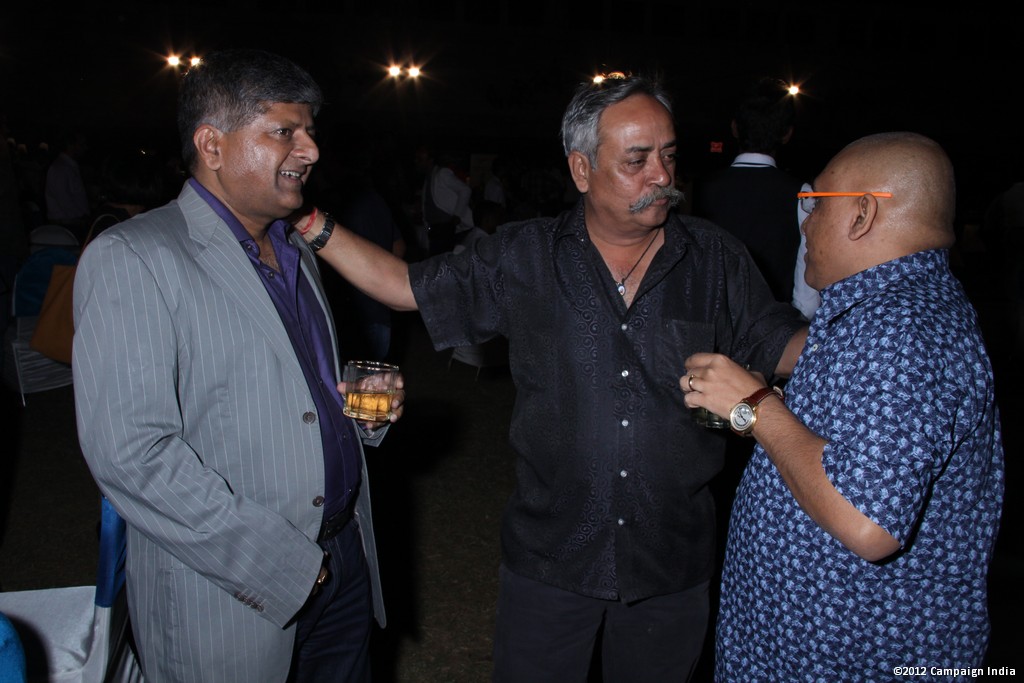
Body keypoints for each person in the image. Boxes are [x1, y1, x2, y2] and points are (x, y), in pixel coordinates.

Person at [293, 73, 806, 682]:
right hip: (552, 558)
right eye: (637, 160)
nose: (662, 176)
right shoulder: (525, 256)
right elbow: (404, 286)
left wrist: (874, 332)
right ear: (582, 169)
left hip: (671, 561)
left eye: (669, 156)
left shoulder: (714, 257)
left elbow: (780, 342)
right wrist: (306, 220)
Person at [73, 49, 403, 683]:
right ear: (212, 145)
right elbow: (130, 455)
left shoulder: (296, 248)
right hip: (231, 589)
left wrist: (359, 412)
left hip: (345, 556)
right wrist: (285, 567)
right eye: (284, 131)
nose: (310, 150)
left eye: (310, 131)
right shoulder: (133, 257)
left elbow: (283, 387)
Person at [682, 132, 1004, 680]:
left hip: (851, 658)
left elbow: (868, 522)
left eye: (815, 204)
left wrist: (755, 406)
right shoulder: (881, 307)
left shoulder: (900, 326)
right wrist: (774, 407)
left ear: (862, 213)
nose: (804, 224)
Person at [692, 77, 814, 316]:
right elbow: (806, 285)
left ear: (734, 128)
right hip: (774, 323)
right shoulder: (801, 192)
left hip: (711, 318)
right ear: (787, 134)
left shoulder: (703, 187)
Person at [43, 129, 92, 239]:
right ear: (70, 145)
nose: (85, 148)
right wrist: (82, 218)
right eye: (81, 144)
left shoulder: (69, 166)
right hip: (67, 226)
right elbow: (64, 200)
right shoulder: (60, 168)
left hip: (73, 224)